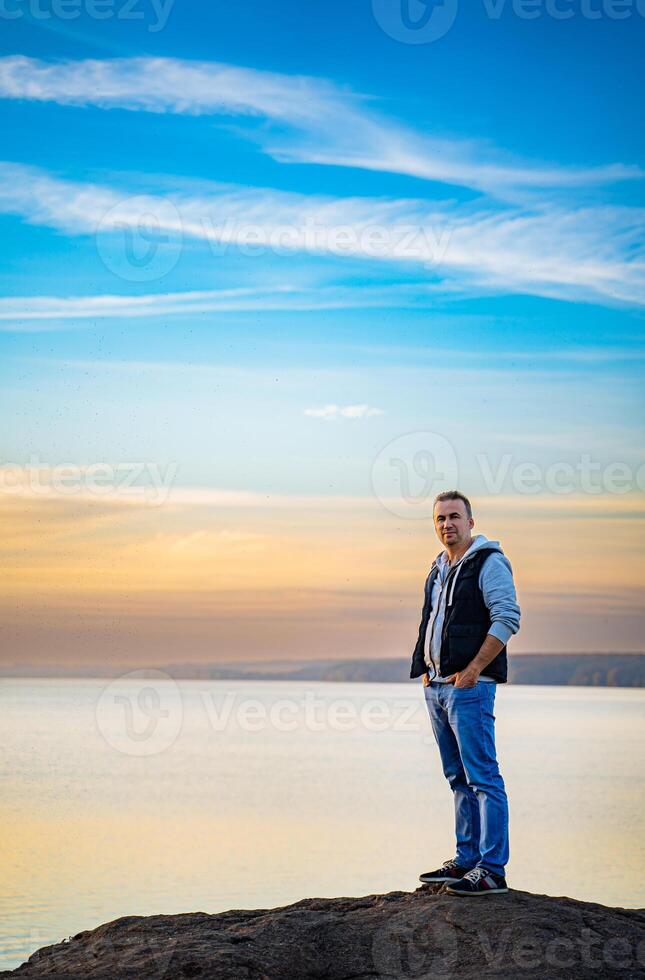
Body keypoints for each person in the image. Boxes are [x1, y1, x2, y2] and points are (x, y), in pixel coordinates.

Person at [410, 490, 520, 896]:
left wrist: (474, 670)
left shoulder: (489, 563)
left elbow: (507, 618)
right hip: (437, 687)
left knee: (483, 777)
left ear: (471, 522)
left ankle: (492, 869)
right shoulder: (438, 568)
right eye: (440, 519)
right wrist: (427, 671)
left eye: (454, 517)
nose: (447, 525)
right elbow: (431, 622)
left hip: (470, 688)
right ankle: (466, 860)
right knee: (457, 777)